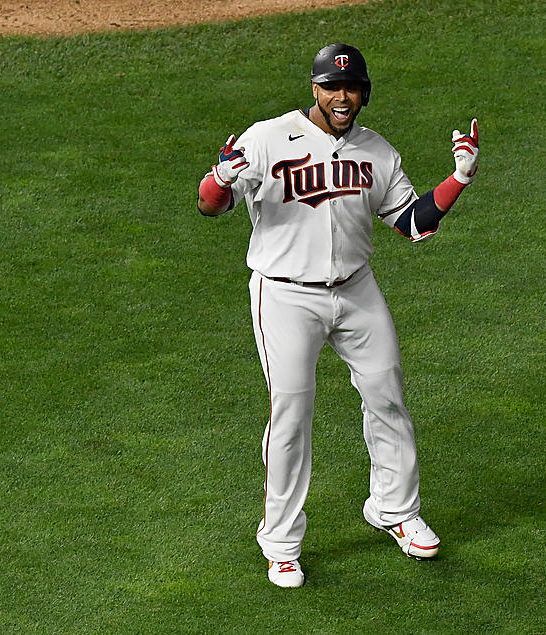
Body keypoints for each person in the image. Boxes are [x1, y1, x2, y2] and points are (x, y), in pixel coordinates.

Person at [196, 43, 479, 588]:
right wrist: (221, 179)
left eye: (351, 88)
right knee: (292, 415)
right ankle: (280, 542)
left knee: (387, 391)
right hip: (285, 295)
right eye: (332, 86)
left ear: (363, 91)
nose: (342, 96)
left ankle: (394, 510)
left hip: (356, 289)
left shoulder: (377, 152)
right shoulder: (267, 137)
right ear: (315, 88)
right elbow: (210, 205)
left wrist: (458, 178)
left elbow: (412, 223)